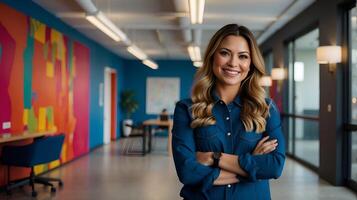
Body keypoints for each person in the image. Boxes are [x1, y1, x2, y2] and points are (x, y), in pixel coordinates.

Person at [172, 24, 285, 200]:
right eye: (225, 53)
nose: (233, 63)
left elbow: (274, 166)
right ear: (212, 57)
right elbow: (187, 172)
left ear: (250, 64)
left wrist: (214, 157)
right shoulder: (187, 109)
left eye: (243, 56)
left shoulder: (266, 109)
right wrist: (250, 163)